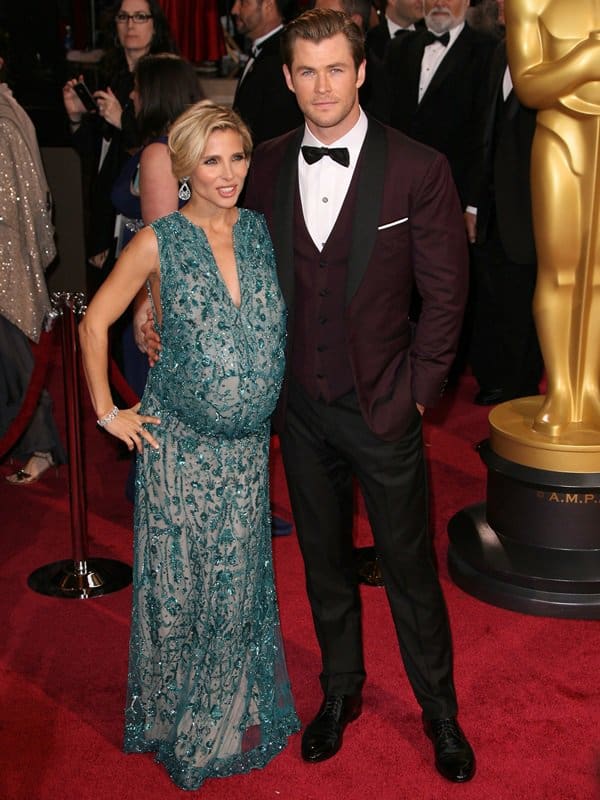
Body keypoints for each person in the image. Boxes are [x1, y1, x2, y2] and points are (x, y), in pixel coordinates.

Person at [247, 8, 474, 783]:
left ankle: (438, 710)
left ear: (362, 70)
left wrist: (414, 395)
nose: (321, 86)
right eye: (305, 71)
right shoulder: (269, 164)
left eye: (335, 68)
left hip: (382, 406)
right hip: (301, 409)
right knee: (323, 561)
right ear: (287, 78)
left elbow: (446, 297)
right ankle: (339, 690)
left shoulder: (417, 168)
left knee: (409, 566)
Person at [78, 101, 299, 789]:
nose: (228, 173)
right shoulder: (159, 240)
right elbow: (92, 324)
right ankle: (177, 714)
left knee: (236, 585)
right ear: (184, 168)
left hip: (243, 452)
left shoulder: (262, 231)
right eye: (212, 160)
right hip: (178, 448)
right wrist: (108, 411)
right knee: (181, 588)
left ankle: (223, 712)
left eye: (237, 157)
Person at [505, 0, 600, 436]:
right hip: (560, 139)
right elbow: (529, 86)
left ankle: (591, 388)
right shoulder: (530, 2)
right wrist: (583, 63)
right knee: (560, 271)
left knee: (597, 275)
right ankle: (562, 388)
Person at [110, 52, 204, 400]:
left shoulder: (160, 154)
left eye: (137, 88)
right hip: (176, 301)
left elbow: (162, 248)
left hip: (155, 303)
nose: (132, 96)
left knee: (154, 417)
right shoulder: (185, 146)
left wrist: (142, 310)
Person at [62, 0, 176, 278]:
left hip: (140, 212)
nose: (130, 24)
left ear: (155, 25)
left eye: (139, 17)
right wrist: (76, 117)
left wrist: (122, 121)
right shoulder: (111, 76)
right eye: (123, 17)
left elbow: (165, 147)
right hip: (104, 205)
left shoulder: (167, 79)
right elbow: (97, 152)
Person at [466, 0, 542, 405]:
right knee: (497, 305)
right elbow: (486, 133)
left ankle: (523, 398)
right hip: (494, 212)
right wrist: (475, 204)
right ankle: (503, 390)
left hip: (536, 215)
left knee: (528, 316)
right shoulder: (499, 54)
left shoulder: (550, 60)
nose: (501, 12)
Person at [0, 49, 66, 485]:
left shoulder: (5, 120)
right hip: (10, 252)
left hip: (7, 256)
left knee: (16, 354)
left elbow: (18, 202)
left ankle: (40, 445)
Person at [230, 0, 303, 145]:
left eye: (243, 3)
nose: (234, 10)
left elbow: (278, 127)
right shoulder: (264, 50)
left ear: (268, 6)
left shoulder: (283, 55)